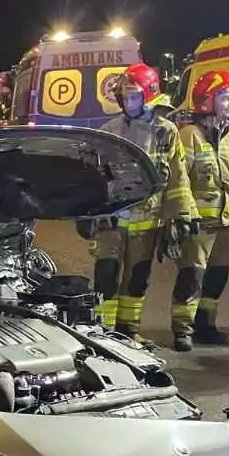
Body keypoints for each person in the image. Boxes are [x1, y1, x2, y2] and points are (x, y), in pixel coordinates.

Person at [87, 63, 198, 345]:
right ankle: (103, 332)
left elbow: (178, 178)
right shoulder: (109, 130)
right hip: (111, 221)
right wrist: (86, 212)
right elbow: (94, 177)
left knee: (137, 278)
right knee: (107, 274)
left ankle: (128, 329)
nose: (129, 103)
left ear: (149, 95)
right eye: (125, 97)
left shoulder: (166, 132)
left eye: (134, 96)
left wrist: (181, 216)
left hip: (147, 222)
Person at [173, 70, 229, 350]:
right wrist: (183, 215)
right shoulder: (189, 136)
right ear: (208, 100)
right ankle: (183, 329)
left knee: (217, 276)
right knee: (192, 277)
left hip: (224, 222)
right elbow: (180, 179)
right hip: (198, 225)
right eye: (225, 97)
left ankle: (205, 325)